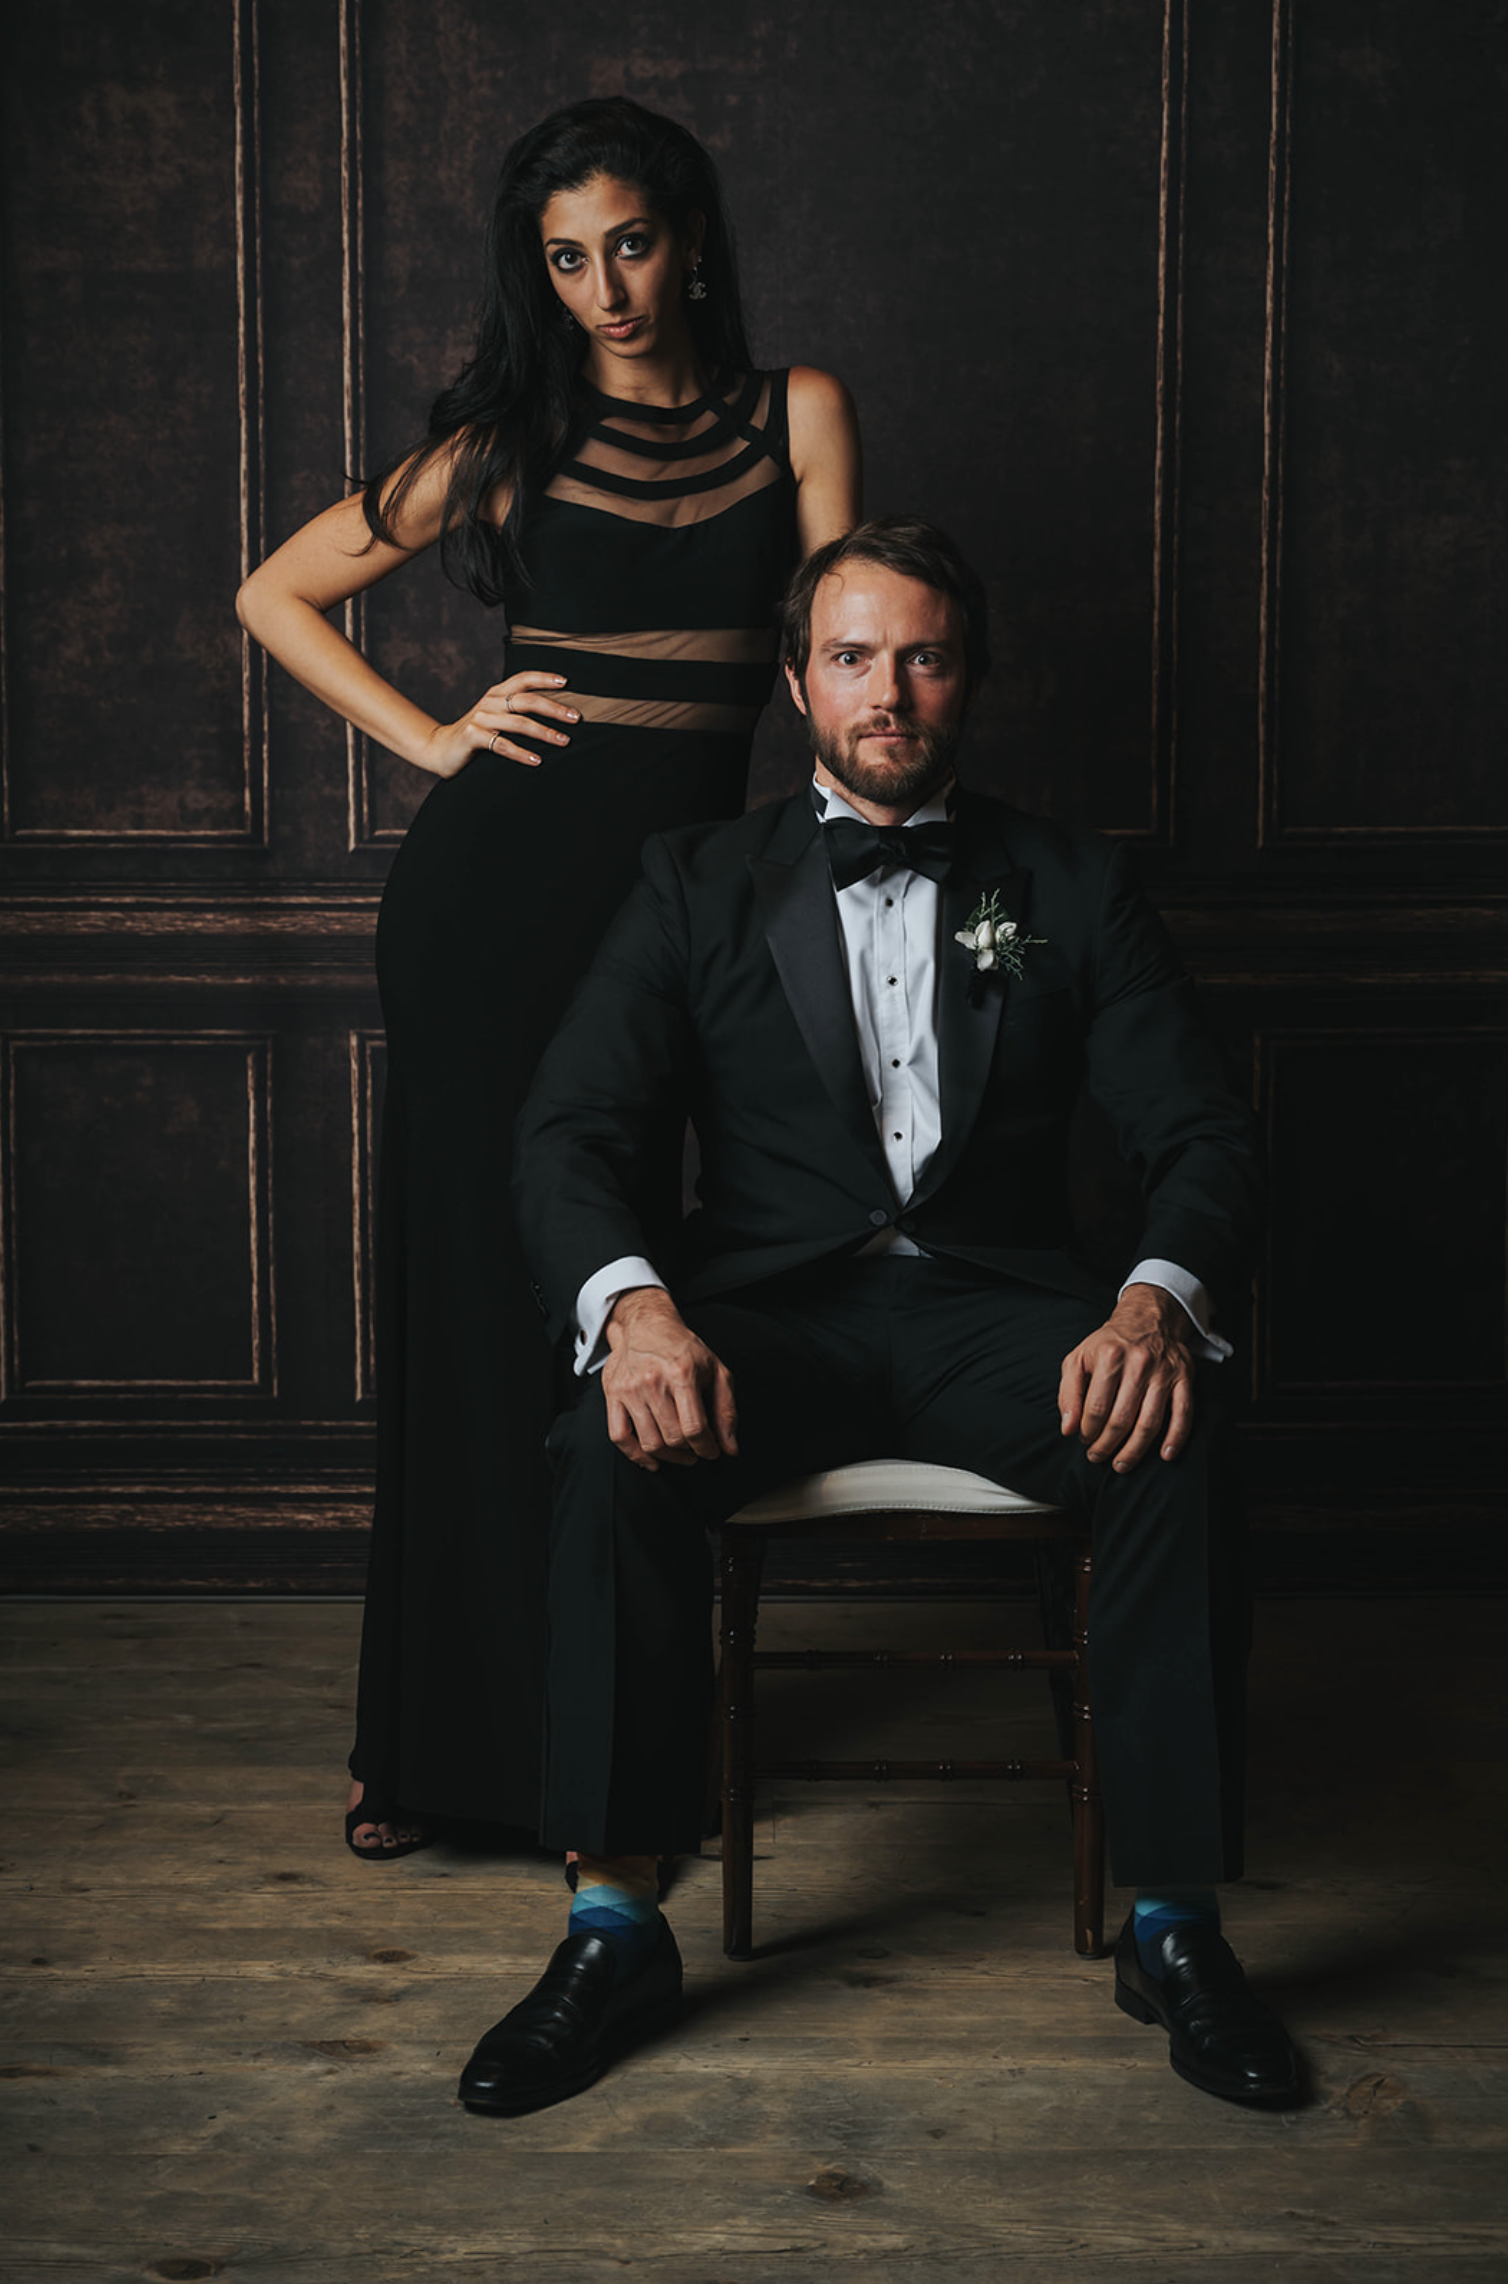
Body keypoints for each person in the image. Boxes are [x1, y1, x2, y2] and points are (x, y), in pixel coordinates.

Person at [471, 516, 1301, 2116]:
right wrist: (634, 1311)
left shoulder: (1067, 881)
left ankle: (1175, 1922)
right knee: (604, 1438)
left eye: (923, 654)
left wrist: (1153, 1301)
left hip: (1008, 1316)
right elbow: (570, 1132)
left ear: (968, 677)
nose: (890, 690)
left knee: (1176, 1433)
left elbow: (1199, 1136)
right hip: (773, 1320)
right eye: (853, 656)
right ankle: (612, 1922)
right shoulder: (694, 878)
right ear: (797, 682)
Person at [235, 98, 861, 1856]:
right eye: (566, 257)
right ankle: (428, 1747)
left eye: (632, 244)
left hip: (683, 913)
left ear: (695, 238)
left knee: (624, 1294)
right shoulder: (513, 434)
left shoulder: (796, 413)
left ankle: (608, 1729)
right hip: (492, 909)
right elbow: (275, 590)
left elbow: (827, 650)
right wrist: (433, 736)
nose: (604, 287)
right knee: (477, 1313)